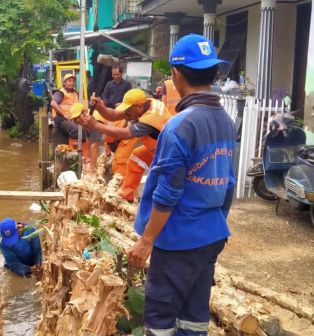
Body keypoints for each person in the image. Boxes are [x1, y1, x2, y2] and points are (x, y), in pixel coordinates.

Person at [127, 33, 235, 336]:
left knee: (160, 317)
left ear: (175, 74)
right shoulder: (226, 120)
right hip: (211, 234)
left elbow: (169, 191)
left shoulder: (179, 126)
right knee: (194, 313)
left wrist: (146, 240)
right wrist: (215, 223)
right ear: (215, 72)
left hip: (178, 239)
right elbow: (229, 183)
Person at [76, 88, 174, 201]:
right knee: (136, 158)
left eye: (128, 109)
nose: (126, 112)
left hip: (168, 154)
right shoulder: (147, 103)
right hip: (158, 147)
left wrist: (95, 125)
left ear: (139, 107)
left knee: (162, 187)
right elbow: (114, 115)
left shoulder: (149, 120)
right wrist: (100, 107)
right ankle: (126, 196)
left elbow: (125, 134)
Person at [51, 74, 86, 143]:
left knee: (86, 129)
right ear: (64, 83)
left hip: (72, 118)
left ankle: (83, 151)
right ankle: (72, 150)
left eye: (73, 81)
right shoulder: (60, 92)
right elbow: (53, 104)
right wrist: (64, 115)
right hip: (61, 119)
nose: (72, 83)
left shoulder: (75, 93)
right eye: (69, 81)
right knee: (76, 129)